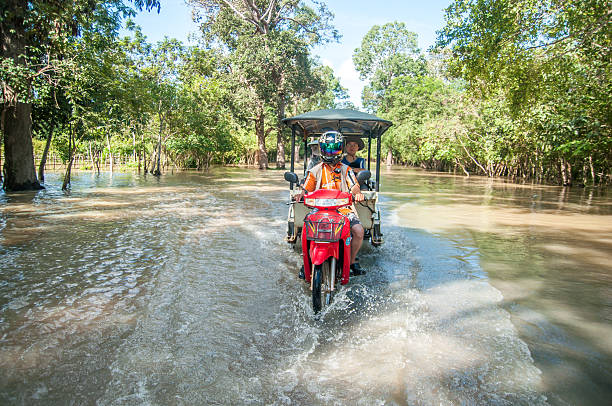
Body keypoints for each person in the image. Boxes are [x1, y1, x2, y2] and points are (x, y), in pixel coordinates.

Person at [294, 131, 366, 276]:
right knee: (306, 232)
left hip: (343, 210)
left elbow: (354, 186)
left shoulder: (347, 170)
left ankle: (352, 261)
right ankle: (307, 262)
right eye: (328, 148)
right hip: (319, 210)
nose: (331, 152)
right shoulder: (315, 170)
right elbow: (305, 188)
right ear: (322, 149)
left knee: (358, 231)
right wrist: (300, 194)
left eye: (334, 148)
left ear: (340, 149)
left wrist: (357, 193)